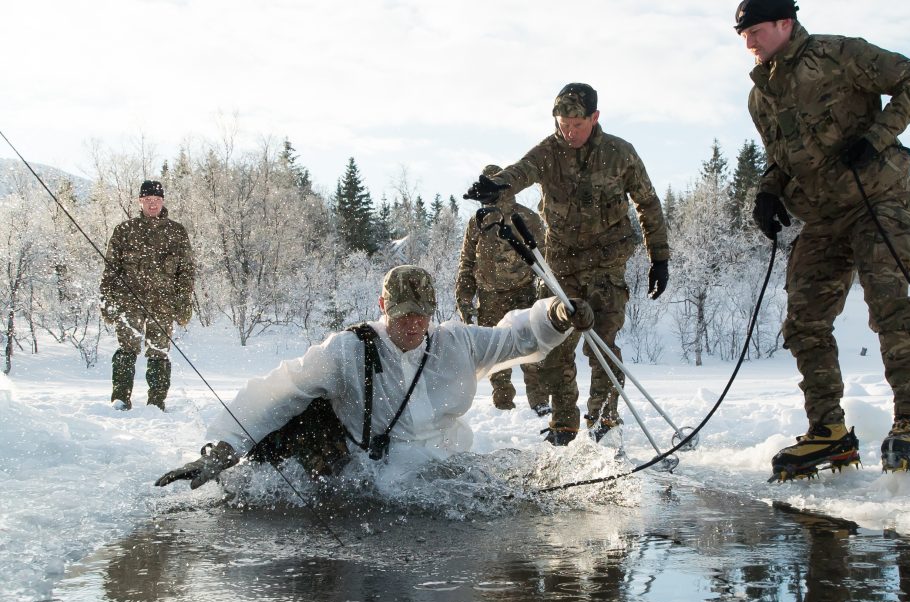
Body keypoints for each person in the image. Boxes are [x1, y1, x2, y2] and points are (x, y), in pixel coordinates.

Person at [155, 265, 594, 490]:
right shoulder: (348, 351)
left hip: (448, 469)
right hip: (381, 480)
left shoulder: (456, 343)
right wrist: (224, 447)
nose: (412, 326)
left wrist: (556, 315)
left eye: (421, 316)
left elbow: (514, 339)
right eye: (402, 315)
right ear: (383, 306)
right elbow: (280, 392)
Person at [735, 0, 910, 478]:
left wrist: (877, 137)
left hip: (877, 200)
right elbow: (780, 157)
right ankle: (829, 433)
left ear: (785, 23)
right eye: (742, 34)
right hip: (822, 217)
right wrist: (767, 193)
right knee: (803, 320)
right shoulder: (760, 95)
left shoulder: (837, 54)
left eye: (757, 31)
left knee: (889, 303)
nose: (749, 42)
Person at [465, 83, 670, 446]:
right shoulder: (550, 151)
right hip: (561, 262)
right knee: (554, 343)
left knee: (602, 342)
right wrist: (496, 186)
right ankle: (564, 422)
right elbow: (521, 170)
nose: (569, 132)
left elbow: (648, 204)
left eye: (576, 124)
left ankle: (604, 417)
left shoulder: (620, 154)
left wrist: (660, 257)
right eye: (563, 124)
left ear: (595, 117)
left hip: (607, 262)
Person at [456, 164, 551, 415]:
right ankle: (503, 407)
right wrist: (464, 300)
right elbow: (467, 263)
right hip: (489, 298)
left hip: (524, 295)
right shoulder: (476, 222)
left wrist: (544, 297)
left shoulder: (527, 218)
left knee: (532, 350)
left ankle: (540, 404)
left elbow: (545, 261)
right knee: (495, 355)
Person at [100, 180, 196, 411]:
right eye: (148, 200)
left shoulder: (176, 232)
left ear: (162, 201)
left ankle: (156, 401)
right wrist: (107, 301)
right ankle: (121, 398)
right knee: (126, 349)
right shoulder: (124, 230)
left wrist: (184, 302)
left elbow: (186, 271)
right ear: (140, 201)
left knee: (159, 352)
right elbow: (111, 269)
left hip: (163, 304)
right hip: (128, 302)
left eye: (157, 200)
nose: (152, 204)